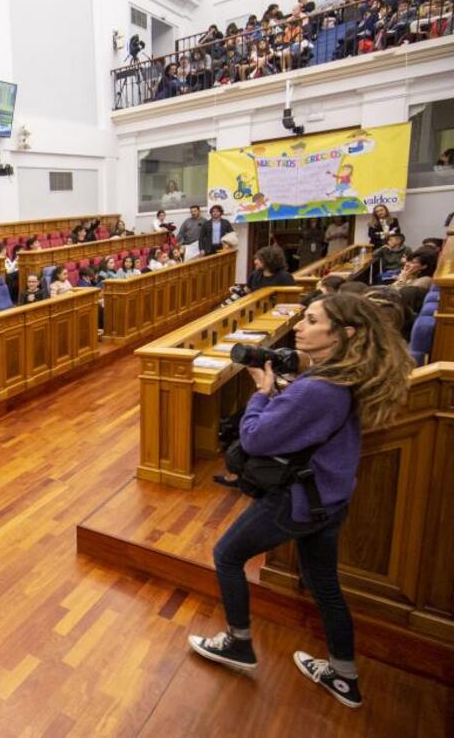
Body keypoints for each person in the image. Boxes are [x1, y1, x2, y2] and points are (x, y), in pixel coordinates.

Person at [188, 293, 412, 710]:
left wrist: (263, 392)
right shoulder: (346, 376)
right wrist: (287, 397)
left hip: (297, 500)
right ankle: (344, 676)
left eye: (311, 320)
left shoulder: (320, 389)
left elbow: (255, 437)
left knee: (226, 555)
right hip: (329, 498)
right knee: (325, 584)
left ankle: (238, 643)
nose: (299, 326)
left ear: (343, 333)